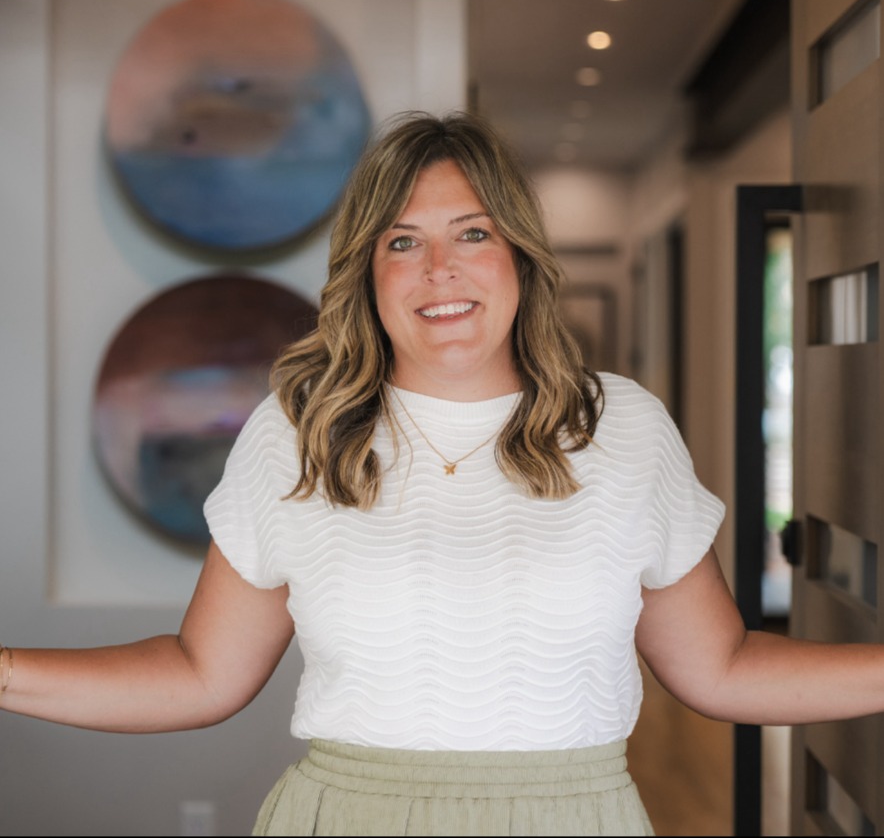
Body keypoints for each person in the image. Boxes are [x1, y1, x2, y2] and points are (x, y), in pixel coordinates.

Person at [1, 110, 883, 837]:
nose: (440, 271)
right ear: (368, 272)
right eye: (403, 242)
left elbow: (720, 667)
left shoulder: (619, 426)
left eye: (472, 233)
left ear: (519, 255)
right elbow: (202, 672)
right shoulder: (300, 433)